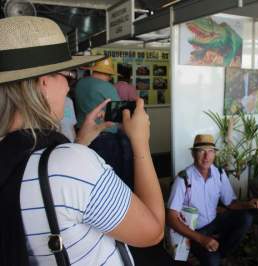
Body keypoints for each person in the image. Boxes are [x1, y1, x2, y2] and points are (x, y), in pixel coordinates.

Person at [0, 16, 164, 266]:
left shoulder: (13, 155)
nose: (68, 87)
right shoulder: (71, 164)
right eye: (66, 76)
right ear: (43, 83)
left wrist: (80, 141)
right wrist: (140, 142)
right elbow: (153, 231)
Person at [167, 134, 258, 266]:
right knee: (213, 262)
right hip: (194, 230)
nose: (207, 157)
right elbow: (171, 218)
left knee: (246, 218)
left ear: (214, 154)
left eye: (210, 151)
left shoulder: (219, 173)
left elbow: (230, 203)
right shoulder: (183, 179)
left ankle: (220, 251)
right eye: (202, 151)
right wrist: (201, 239)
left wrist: (248, 204)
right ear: (193, 154)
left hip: (214, 221)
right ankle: (212, 254)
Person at [74, 57, 134, 187]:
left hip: (82, 136)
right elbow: (119, 112)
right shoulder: (107, 87)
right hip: (105, 137)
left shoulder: (80, 84)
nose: (110, 78)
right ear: (108, 74)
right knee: (110, 177)